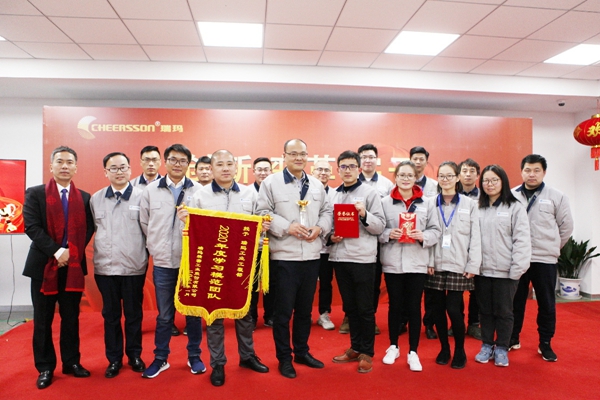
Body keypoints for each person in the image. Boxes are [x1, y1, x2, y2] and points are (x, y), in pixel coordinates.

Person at [178, 150, 270, 387]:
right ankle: (218, 363)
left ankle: (247, 356)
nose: (226, 168)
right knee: (214, 315)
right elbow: (190, 232)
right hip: (213, 263)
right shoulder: (199, 196)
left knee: (244, 313)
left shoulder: (250, 193)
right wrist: (185, 221)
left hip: (242, 263)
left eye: (230, 163)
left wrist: (264, 226)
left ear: (236, 167)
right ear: (212, 168)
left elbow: (260, 223)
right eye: (220, 164)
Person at [256, 139, 332, 379]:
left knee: (305, 311)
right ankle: (284, 358)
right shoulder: (270, 183)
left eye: (303, 154)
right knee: (282, 313)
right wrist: (287, 227)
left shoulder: (317, 184)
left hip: (311, 256)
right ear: (284, 156)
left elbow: (327, 212)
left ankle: (301, 351)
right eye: (294, 153)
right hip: (283, 257)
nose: (299, 158)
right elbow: (262, 213)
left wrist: (320, 228)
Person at [23, 146, 94, 389]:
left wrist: (71, 253)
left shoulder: (84, 198)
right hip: (43, 267)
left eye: (69, 162)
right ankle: (45, 367)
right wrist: (56, 251)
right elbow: (32, 227)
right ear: (51, 166)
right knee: (42, 320)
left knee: (71, 318)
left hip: (72, 267)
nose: (65, 166)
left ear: (76, 167)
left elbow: (89, 228)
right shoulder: (35, 194)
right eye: (60, 161)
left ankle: (72, 362)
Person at [139, 144, 205, 378]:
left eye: (183, 161)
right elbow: (145, 223)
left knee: (193, 314)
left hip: (191, 263)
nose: (178, 164)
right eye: (173, 160)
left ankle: (194, 356)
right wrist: (156, 246)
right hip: (164, 264)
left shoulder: (199, 191)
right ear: (165, 162)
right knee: (165, 315)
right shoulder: (150, 190)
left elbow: (206, 226)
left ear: (189, 164)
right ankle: (160, 358)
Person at [379, 161, 441, 372]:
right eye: (402, 175)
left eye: (409, 175)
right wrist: (389, 233)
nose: (405, 179)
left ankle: (413, 351)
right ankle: (393, 346)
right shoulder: (385, 202)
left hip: (417, 262)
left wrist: (423, 235)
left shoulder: (427, 203)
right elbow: (377, 230)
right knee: (395, 306)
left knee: (414, 307)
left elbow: (436, 230)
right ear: (395, 177)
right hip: (393, 262)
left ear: (416, 178)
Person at [510, 154, 573, 362]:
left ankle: (545, 343)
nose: (532, 174)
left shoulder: (557, 196)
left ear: (544, 172)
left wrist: (552, 247)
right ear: (521, 172)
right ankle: (512, 338)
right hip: (518, 258)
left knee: (546, 303)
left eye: (536, 170)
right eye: (527, 170)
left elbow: (566, 227)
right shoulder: (511, 195)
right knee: (515, 301)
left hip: (544, 259)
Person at [91, 152, 147, 378]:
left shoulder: (143, 197)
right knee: (111, 316)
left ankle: (134, 355)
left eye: (123, 167)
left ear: (130, 170)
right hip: (105, 269)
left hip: (134, 268)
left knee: (134, 315)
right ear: (106, 172)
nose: (119, 172)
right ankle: (114, 359)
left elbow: (149, 231)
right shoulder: (96, 199)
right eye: (113, 168)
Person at [329, 151, 385, 374]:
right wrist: (330, 236)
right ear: (338, 170)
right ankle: (355, 347)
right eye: (343, 166)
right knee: (350, 307)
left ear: (359, 169)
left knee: (365, 308)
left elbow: (380, 227)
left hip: (363, 259)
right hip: (339, 257)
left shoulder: (370, 193)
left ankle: (367, 352)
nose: (348, 170)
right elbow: (327, 224)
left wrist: (364, 214)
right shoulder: (332, 195)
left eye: (352, 166)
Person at [424, 161, 481, 370]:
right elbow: (427, 234)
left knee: (454, 309)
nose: (445, 179)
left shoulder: (470, 204)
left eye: (450, 175)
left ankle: (459, 350)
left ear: (457, 178)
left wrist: (473, 264)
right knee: (437, 309)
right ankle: (444, 348)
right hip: (436, 264)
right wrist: (429, 261)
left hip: (459, 263)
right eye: (442, 176)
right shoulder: (429, 203)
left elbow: (476, 237)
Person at [475, 165, 531, 367]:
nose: (489, 184)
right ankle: (486, 344)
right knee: (485, 311)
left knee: (504, 312)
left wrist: (517, 269)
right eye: (486, 180)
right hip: (482, 270)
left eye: (494, 180)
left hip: (506, 271)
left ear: (503, 182)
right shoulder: (477, 207)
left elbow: (522, 240)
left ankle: (501, 347)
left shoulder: (515, 207)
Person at [353, 143, 393, 336]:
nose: (367, 160)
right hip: (354, 240)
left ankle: (371, 317)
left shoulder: (387, 184)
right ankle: (350, 317)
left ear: (376, 159)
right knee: (352, 282)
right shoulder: (351, 181)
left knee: (373, 283)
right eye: (364, 157)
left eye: (371, 157)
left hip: (377, 240)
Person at [411, 146, 439, 339]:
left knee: (430, 290)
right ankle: (404, 321)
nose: (418, 162)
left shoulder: (434, 186)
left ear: (426, 161)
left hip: (428, 239)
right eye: (415, 158)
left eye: (421, 159)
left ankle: (429, 324)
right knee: (408, 290)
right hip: (406, 242)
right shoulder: (402, 183)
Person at [457, 158, 482, 340]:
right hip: (457, 248)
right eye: (464, 171)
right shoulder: (451, 195)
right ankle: (457, 323)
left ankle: (474, 324)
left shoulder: (485, 196)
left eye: (472, 171)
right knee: (456, 291)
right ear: (458, 175)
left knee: (477, 291)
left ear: (477, 175)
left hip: (478, 248)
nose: (468, 174)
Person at [249, 157, 275, 328]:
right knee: (250, 284)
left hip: (273, 246)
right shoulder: (246, 192)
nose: (263, 173)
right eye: (259, 169)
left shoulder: (276, 190)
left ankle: (270, 316)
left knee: (271, 283)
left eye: (266, 169)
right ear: (253, 172)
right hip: (251, 247)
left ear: (271, 171)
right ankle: (250, 318)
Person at [312, 159, 336, 331]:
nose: (323, 173)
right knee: (306, 284)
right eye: (319, 169)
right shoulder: (305, 192)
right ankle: (304, 313)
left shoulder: (336, 194)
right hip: (308, 245)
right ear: (313, 172)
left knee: (326, 283)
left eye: (326, 170)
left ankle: (324, 314)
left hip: (328, 247)